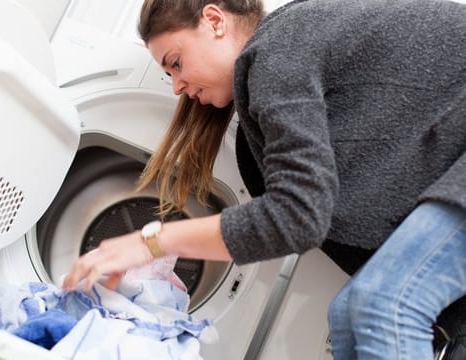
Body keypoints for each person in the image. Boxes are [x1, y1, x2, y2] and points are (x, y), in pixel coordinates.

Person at [62, 0, 466, 358]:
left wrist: (149, 242)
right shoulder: (259, 128)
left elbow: (299, 217)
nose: (176, 87)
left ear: (215, 21)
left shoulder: (278, 49)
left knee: (382, 305)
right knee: (349, 313)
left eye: (176, 63)